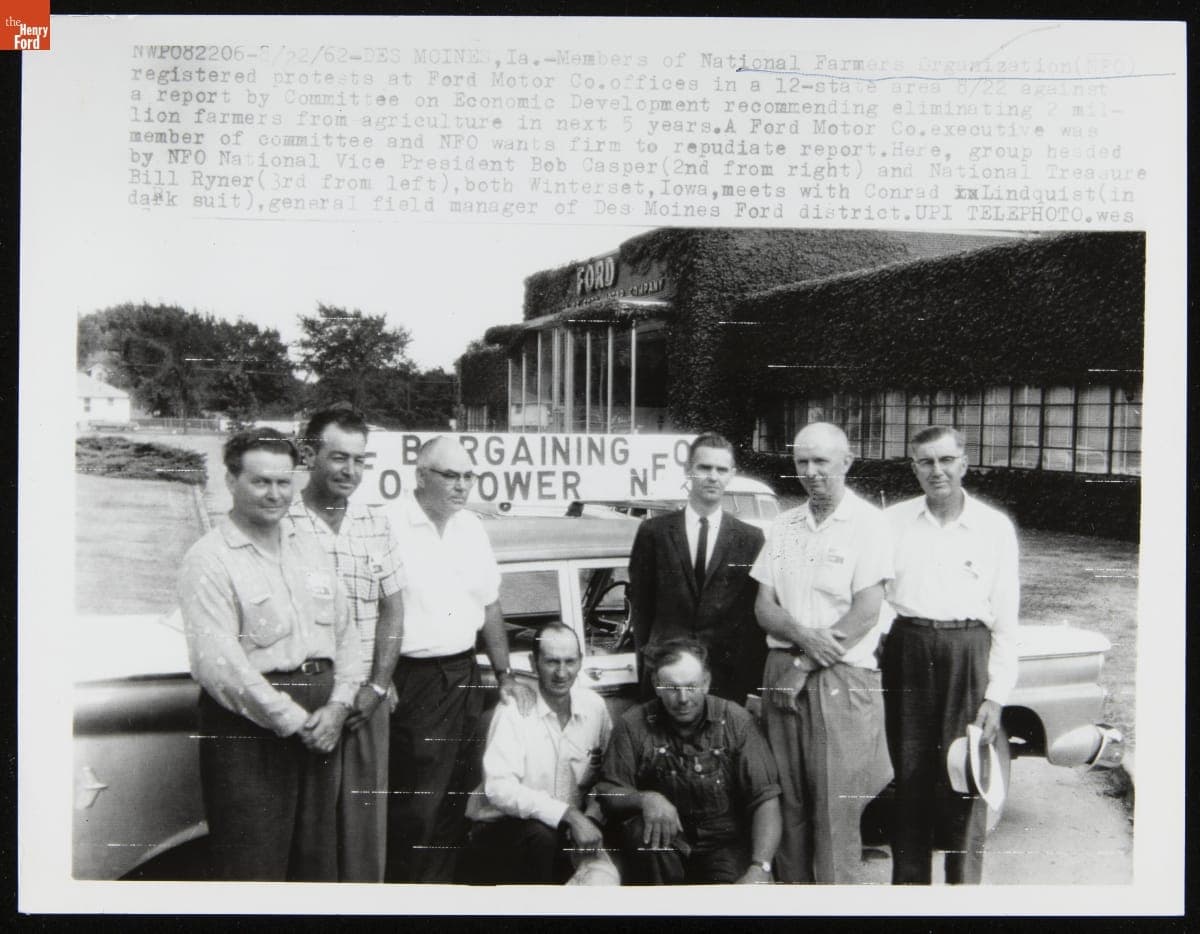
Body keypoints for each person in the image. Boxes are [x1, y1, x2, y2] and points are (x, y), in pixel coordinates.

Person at [178, 428, 359, 881]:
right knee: (253, 864)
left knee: (316, 865)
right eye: (261, 482)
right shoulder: (210, 559)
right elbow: (220, 667)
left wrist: (338, 704)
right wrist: (296, 721)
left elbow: (347, 633)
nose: (275, 494)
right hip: (251, 727)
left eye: (284, 482)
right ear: (231, 481)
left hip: (323, 722)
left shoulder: (308, 547)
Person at [384, 436, 535, 883]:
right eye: (451, 475)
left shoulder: (470, 527)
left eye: (469, 476)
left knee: (456, 797)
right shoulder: (387, 525)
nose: (462, 485)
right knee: (417, 805)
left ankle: (439, 895)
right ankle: (407, 899)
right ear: (421, 476)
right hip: (411, 676)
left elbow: (489, 604)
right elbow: (364, 607)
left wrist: (505, 672)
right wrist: (380, 675)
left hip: (464, 672)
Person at [751, 422, 894, 884]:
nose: (811, 473)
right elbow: (763, 607)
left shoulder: (870, 524)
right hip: (783, 667)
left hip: (841, 676)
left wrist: (807, 661)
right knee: (786, 798)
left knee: (835, 808)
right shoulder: (784, 525)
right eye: (802, 463)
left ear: (847, 463)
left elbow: (867, 611)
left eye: (822, 462)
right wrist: (801, 640)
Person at [882, 425, 1019, 885]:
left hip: (969, 653)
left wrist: (996, 696)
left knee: (966, 775)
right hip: (909, 651)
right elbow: (878, 597)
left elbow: (1006, 619)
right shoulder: (893, 522)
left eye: (945, 460)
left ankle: (963, 896)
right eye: (926, 461)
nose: (936, 470)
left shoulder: (993, 528)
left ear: (964, 462)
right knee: (911, 779)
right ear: (914, 467)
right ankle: (910, 897)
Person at [286, 406, 406, 882]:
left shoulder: (375, 525)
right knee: (310, 836)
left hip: (365, 703)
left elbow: (393, 610)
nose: (350, 471)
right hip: (307, 697)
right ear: (310, 454)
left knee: (363, 835)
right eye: (339, 458)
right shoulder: (283, 522)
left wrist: (377, 685)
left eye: (359, 460)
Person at [596, 639, 782, 885]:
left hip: (724, 845)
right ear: (657, 685)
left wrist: (760, 867)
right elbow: (608, 791)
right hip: (664, 846)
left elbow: (765, 798)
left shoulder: (737, 721)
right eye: (672, 688)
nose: (683, 698)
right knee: (642, 834)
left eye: (691, 686)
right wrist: (646, 799)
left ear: (706, 683)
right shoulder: (633, 725)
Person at [462, 623, 616, 885]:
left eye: (569, 662)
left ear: (581, 661)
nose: (561, 672)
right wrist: (567, 814)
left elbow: (606, 777)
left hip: (569, 830)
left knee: (604, 883)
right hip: (504, 828)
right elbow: (499, 789)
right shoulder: (514, 711)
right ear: (534, 663)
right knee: (540, 837)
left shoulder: (595, 707)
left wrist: (589, 818)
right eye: (551, 662)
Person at [627, 432, 766, 704]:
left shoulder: (751, 539)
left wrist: (750, 685)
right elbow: (641, 608)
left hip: (725, 681)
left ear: (731, 474)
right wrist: (651, 662)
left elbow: (753, 619)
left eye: (721, 469)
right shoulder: (653, 532)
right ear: (688, 470)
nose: (713, 476)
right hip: (666, 677)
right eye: (704, 467)